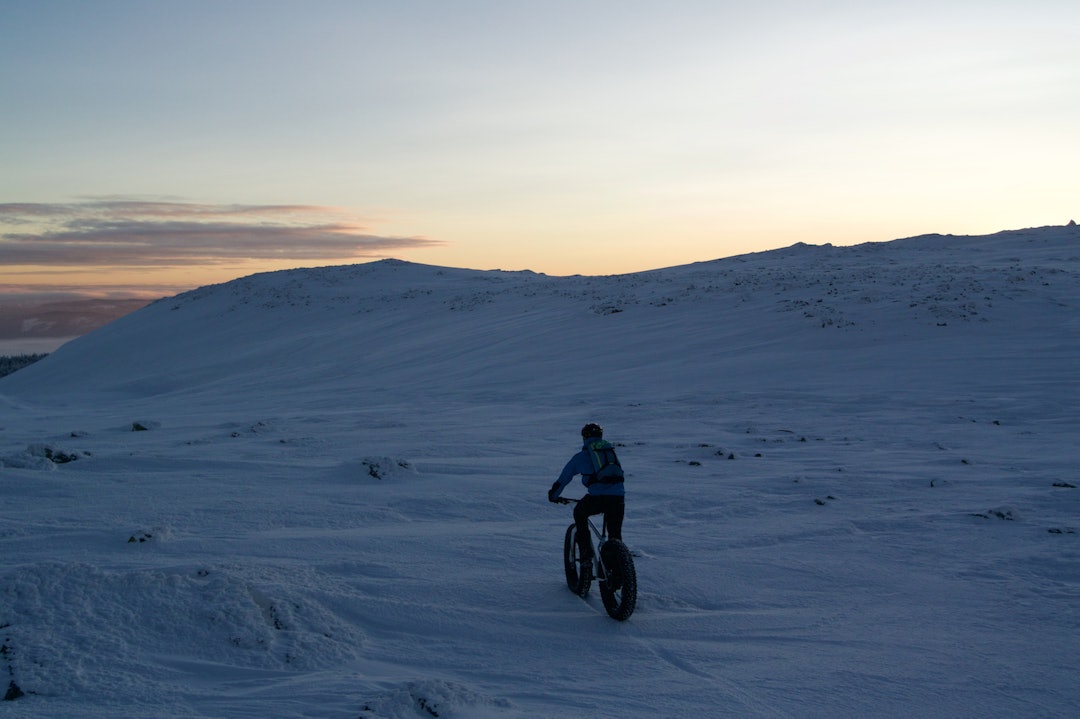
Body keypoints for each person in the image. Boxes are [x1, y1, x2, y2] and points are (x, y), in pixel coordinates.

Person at [548, 423, 625, 573]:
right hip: (618, 498)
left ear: (584, 438)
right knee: (615, 535)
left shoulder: (582, 456)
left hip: (597, 498)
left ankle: (585, 555)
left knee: (579, 513)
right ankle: (618, 569)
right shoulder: (610, 453)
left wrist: (553, 495)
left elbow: (564, 479)